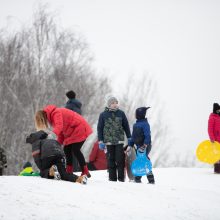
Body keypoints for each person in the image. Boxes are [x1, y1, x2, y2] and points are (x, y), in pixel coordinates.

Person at [35, 105, 92, 178]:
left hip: (79, 127)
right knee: (67, 149)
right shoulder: (52, 118)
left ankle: (85, 171)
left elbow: (59, 127)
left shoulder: (55, 113)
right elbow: (61, 133)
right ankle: (69, 171)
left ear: (43, 118)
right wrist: (57, 144)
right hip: (73, 131)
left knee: (75, 149)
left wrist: (51, 136)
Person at [97, 96, 131, 182]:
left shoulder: (121, 113)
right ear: (109, 104)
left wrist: (129, 137)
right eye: (113, 103)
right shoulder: (103, 115)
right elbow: (100, 128)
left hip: (119, 141)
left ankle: (121, 178)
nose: (115, 105)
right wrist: (100, 141)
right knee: (110, 160)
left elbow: (126, 126)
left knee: (120, 160)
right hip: (108, 142)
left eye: (116, 103)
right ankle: (112, 179)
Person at [126, 107, 155, 184]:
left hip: (145, 146)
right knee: (141, 160)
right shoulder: (136, 125)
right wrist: (130, 145)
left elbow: (147, 135)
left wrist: (145, 145)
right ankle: (138, 178)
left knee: (144, 160)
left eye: (136, 113)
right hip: (138, 146)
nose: (135, 115)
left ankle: (147, 179)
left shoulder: (145, 124)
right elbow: (133, 137)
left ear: (139, 114)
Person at [208, 103, 220, 173]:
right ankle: (217, 169)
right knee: (217, 155)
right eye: (218, 110)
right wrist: (212, 138)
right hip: (215, 140)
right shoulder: (212, 118)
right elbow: (210, 129)